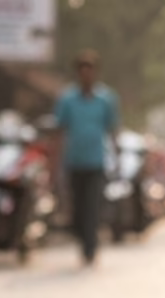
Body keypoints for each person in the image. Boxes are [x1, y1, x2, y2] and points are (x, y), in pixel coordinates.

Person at [53, 50, 120, 267]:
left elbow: (112, 129)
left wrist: (117, 156)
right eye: (82, 72)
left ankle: (90, 248)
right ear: (78, 74)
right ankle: (84, 240)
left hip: (96, 161)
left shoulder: (106, 99)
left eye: (90, 71)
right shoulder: (67, 99)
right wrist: (54, 161)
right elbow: (59, 131)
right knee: (77, 209)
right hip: (74, 161)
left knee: (92, 206)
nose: (86, 76)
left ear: (95, 73)